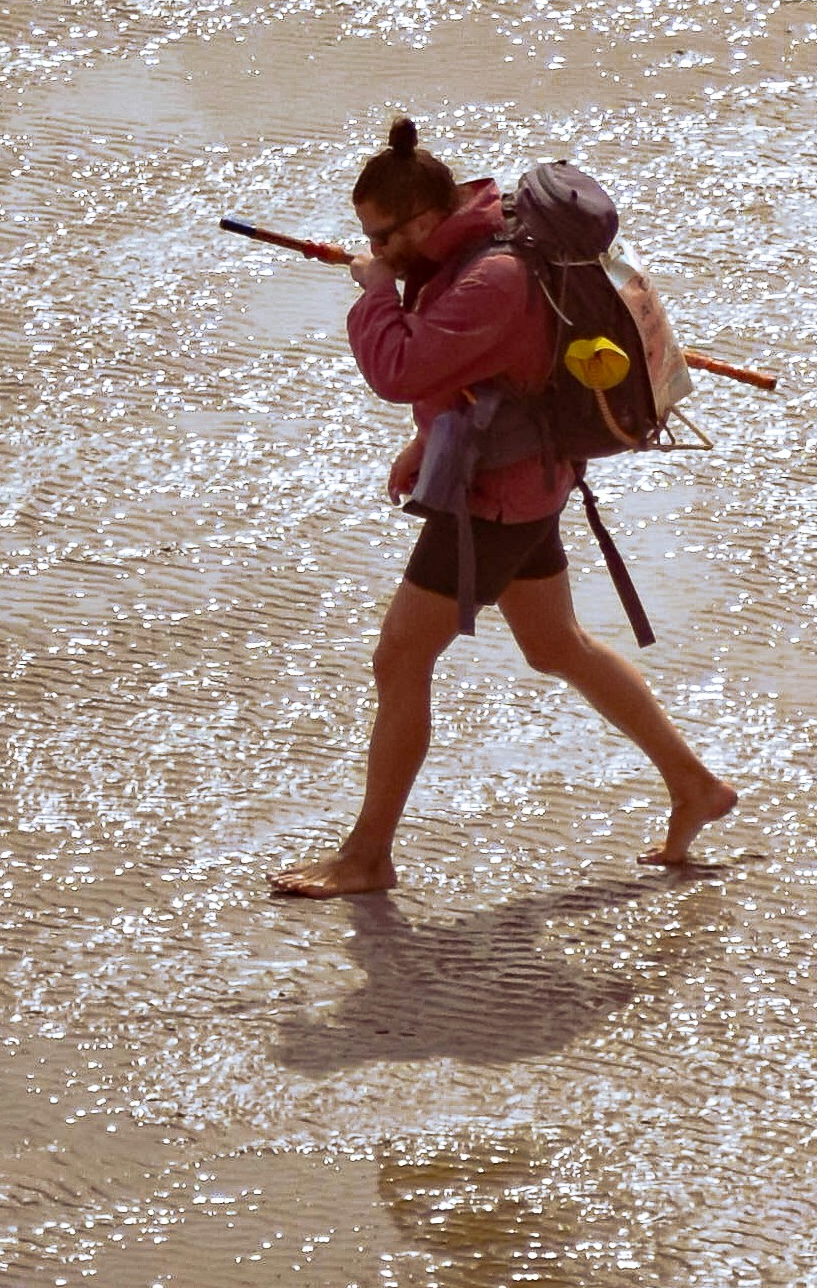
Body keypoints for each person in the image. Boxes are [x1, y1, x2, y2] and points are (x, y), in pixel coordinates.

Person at [271, 119, 738, 897]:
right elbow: (488, 367)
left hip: (497, 498)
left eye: (380, 236)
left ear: (422, 222)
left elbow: (402, 367)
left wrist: (377, 295)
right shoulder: (477, 242)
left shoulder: (494, 276)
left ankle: (365, 856)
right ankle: (695, 786)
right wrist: (430, 437)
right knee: (555, 644)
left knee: (399, 656)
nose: (373, 248)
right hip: (529, 474)